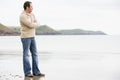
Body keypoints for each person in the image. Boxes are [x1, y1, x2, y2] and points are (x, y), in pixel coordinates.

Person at [20, 1, 45, 77]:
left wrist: (34, 24)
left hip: (32, 36)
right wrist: (35, 24)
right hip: (25, 37)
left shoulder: (32, 14)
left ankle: (36, 72)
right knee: (26, 55)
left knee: (35, 54)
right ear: (27, 7)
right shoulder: (22, 16)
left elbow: (37, 23)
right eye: (31, 6)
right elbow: (31, 25)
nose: (32, 8)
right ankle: (27, 73)